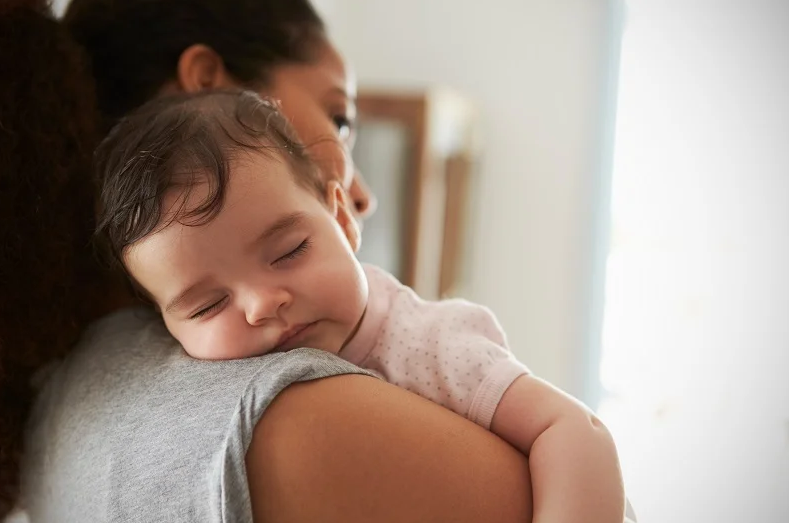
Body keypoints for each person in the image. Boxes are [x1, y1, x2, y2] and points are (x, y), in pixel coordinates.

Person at [2, 0, 538, 521]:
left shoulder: (59, 410)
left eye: (288, 250)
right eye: (339, 118)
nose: (364, 197)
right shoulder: (295, 420)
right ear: (210, 83)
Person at [95, 89, 626, 523]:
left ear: (343, 220)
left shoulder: (429, 341)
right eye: (209, 306)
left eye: (289, 252)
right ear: (165, 324)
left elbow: (575, 431)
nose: (261, 305)